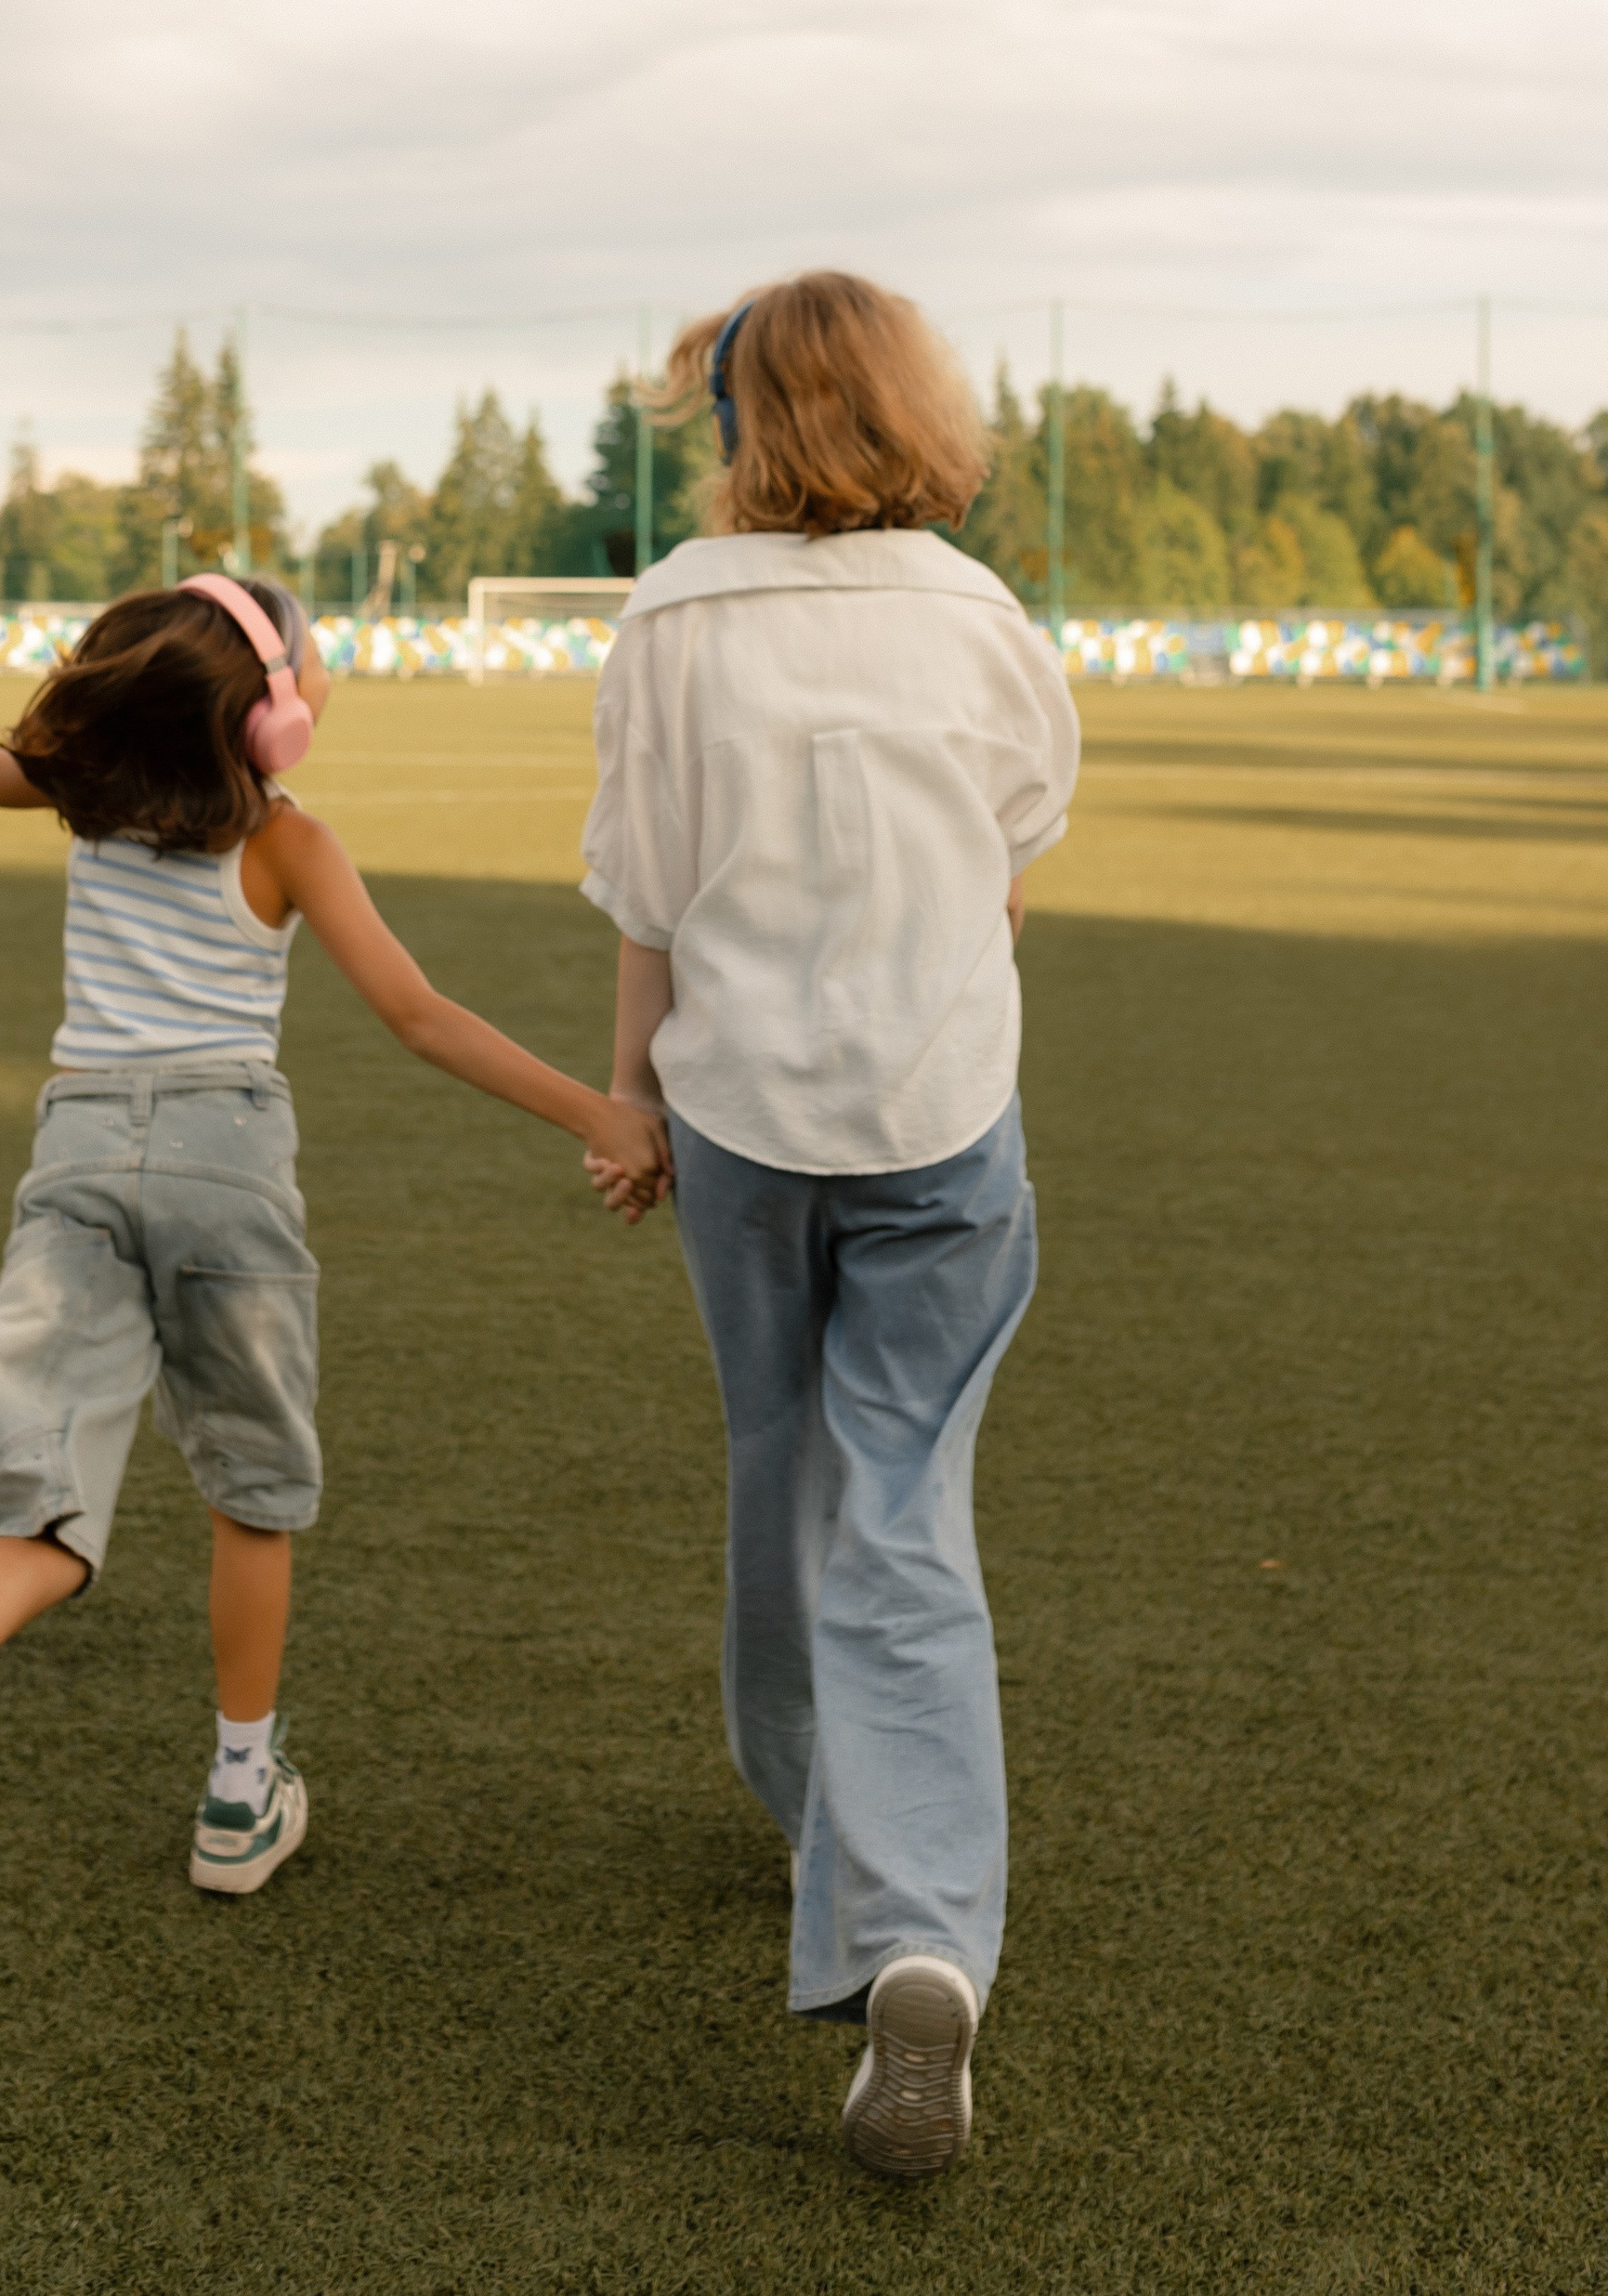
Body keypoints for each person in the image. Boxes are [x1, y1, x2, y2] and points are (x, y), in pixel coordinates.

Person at [0, 575, 665, 1920]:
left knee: (49, 1491)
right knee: (251, 1493)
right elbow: (418, 1015)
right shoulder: (291, 845)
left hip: (78, 1159)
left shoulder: (82, 798)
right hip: (227, 1168)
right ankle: (239, 1795)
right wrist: (604, 1115)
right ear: (274, 714)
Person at [578, 273, 1079, 2180]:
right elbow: (1013, 855)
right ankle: (920, 1928)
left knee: (777, 1462)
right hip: (940, 1119)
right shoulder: (974, 615)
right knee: (904, 1500)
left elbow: (643, 891)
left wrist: (629, 1101)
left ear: (734, 426)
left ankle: (820, 1822)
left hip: (741, 1120)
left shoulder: (670, 620)